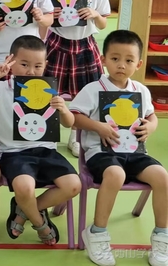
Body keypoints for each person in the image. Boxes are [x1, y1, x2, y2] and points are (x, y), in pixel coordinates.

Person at [0, 35, 81, 245]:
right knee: (25, 187)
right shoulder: (1, 88)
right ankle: (40, 223)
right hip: (14, 154)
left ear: (45, 64)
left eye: (38, 66)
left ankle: (23, 210)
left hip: (47, 152)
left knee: (74, 185)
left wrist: (64, 110)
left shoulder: (48, 89)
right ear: (11, 61)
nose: (31, 71)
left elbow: (70, 123)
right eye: (24, 64)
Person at [70, 30, 168, 266]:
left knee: (162, 176)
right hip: (101, 153)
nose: (121, 65)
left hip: (135, 153)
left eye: (129, 60)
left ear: (139, 64)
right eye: (115, 59)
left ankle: (162, 236)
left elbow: (151, 116)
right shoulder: (93, 89)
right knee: (116, 174)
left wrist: (151, 127)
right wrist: (98, 127)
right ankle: (97, 232)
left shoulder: (141, 90)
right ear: (104, 60)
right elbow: (74, 118)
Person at [45, 0, 110, 157]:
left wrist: (95, 15)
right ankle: (48, 133)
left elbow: (103, 23)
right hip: (57, 45)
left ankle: (75, 136)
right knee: (49, 90)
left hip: (85, 47)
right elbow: (43, 21)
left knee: (83, 94)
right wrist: (50, 15)